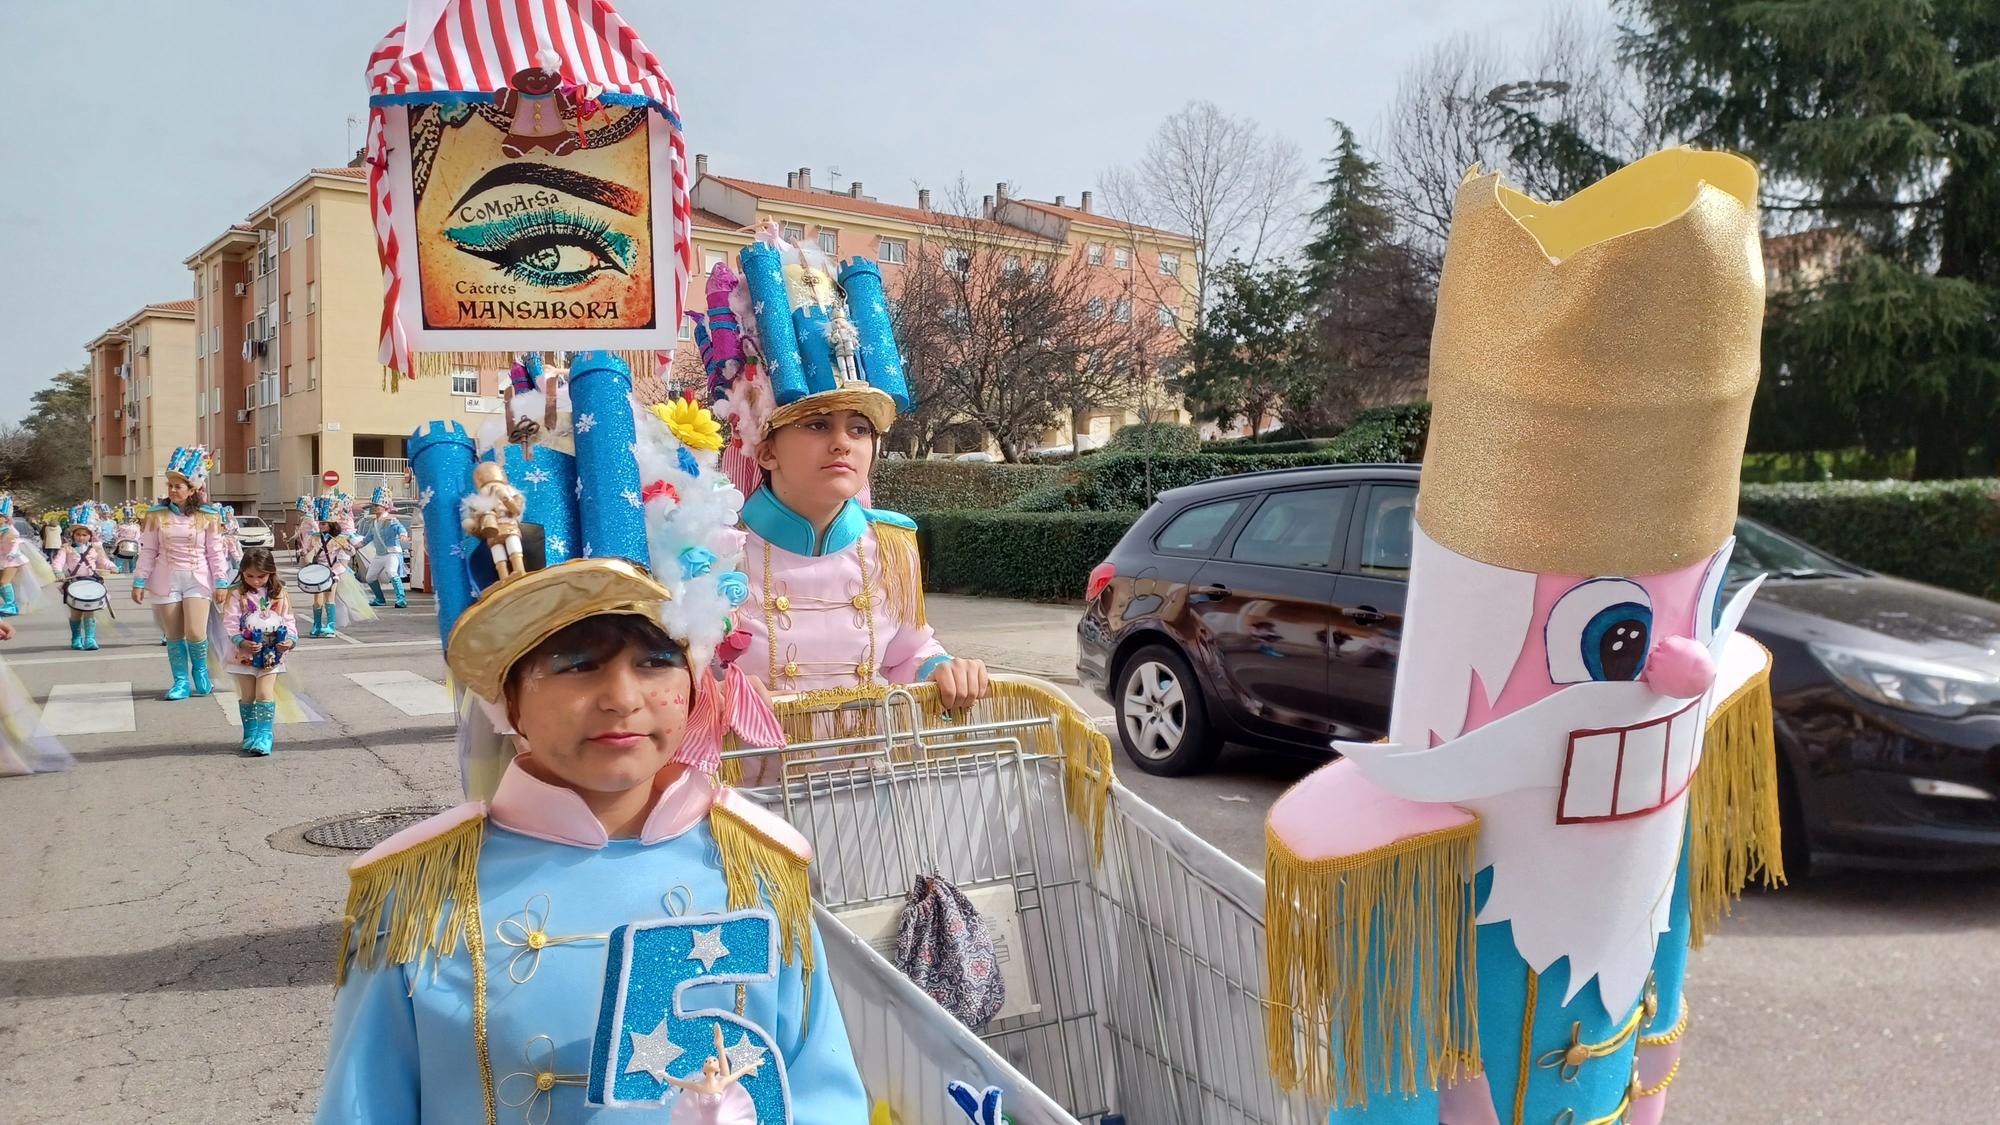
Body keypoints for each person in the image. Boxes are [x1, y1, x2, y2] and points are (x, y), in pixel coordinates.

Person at [1260, 150, 1780, 1123]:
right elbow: (1393, 1076)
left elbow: (1657, 964)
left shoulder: (1661, 781)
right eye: (1618, 642)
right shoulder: (1411, 864)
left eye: (1692, 615)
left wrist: (1648, 1093)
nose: (1689, 666)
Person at [319, 350, 867, 1123]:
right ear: (509, 695)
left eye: (654, 660)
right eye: (575, 664)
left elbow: (822, 1095)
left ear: (694, 674)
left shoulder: (759, 871)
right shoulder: (418, 898)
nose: (622, 698)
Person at [701, 232, 989, 712]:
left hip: (864, 778)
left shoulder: (892, 547)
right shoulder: (713, 552)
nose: (842, 443)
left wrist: (941, 668)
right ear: (766, 450)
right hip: (753, 784)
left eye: (859, 428)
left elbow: (907, 653)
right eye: (816, 424)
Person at [132, 447, 229, 702]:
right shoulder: (155, 515)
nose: (172, 490)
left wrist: (221, 581)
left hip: (198, 578)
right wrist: (139, 580)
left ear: (192, 489)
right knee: (174, 635)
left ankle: (200, 672)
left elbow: (215, 552)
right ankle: (180, 681)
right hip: (166, 579)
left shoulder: (208, 516)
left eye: (178, 486)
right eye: (170, 486)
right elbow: (148, 550)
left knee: (196, 632)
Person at [216, 547, 296, 756]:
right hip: (242, 655)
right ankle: (250, 734)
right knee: (248, 695)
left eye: (261, 576)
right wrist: (240, 641)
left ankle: (264, 736)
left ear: (271, 572)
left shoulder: (279, 594)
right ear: (242, 572)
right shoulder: (236, 594)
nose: (256, 580)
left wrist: (290, 641)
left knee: (263, 693)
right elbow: (230, 621)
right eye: (249, 575)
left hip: (271, 654)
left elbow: (288, 619)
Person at [301, 496, 360, 639]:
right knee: (317, 600)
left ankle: (331, 626)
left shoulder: (339, 538)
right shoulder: (315, 538)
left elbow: (351, 552)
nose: (321, 526)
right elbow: (307, 552)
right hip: (318, 571)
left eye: (324, 524)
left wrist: (347, 547)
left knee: (330, 598)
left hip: (333, 571)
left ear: (331, 525)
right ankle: (316, 625)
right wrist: (305, 553)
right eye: (320, 523)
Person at [54, 510, 114, 651]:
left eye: (84, 535)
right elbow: (58, 562)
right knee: (76, 612)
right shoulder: (67, 548)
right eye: (78, 535)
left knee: (90, 610)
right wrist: (57, 571)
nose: (81, 537)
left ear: (90, 536)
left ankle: (90, 638)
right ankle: (76, 637)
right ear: (73, 535)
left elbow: (103, 561)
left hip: (91, 582)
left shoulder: (95, 549)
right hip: (73, 583)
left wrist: (112, 566)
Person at [358, 487, 409, 609]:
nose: (375, 507)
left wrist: (403, 534)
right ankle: (380, 599)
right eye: (374, 505)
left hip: (392, 553)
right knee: (370, 577)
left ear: (385, 506)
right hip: (380, 555)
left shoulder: (390, 519)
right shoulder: (373, 523)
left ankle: (401, 599)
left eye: (378, 505)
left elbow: (400, 528)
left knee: (391, 572)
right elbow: (367, 538)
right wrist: (354, 546)